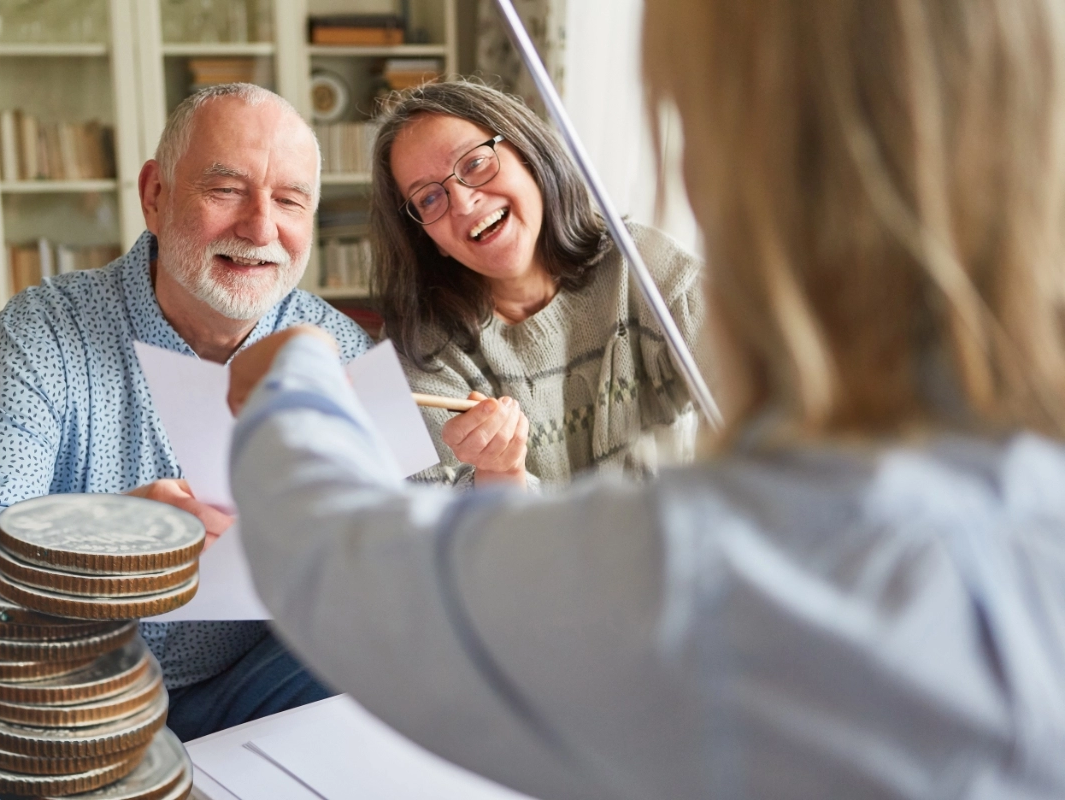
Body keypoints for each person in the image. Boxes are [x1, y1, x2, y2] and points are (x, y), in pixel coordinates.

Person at [224, 1, 1065, 798]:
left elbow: (348, 575)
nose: (464, 202)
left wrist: (290, 388)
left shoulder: (713, 567)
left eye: (688, 130)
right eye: (429, 201)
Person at [0, 84, 373, 799]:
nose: (262, 228)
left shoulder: (337, 346)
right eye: (227, 189)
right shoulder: (43, 328)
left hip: (248, 681)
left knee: (396, 665)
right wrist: (103, 543)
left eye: (290, 201)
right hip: (54, 683)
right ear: (155, 194)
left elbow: (391, 566)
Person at [371, 81, 704, 490]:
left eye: (475, 164)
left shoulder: (646, 265)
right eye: (428, 199)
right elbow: (428, 535)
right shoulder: (403, 351)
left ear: (529, 156)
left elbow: (769, 403)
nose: (462, 202)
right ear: (426, 238)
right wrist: (500, 473)